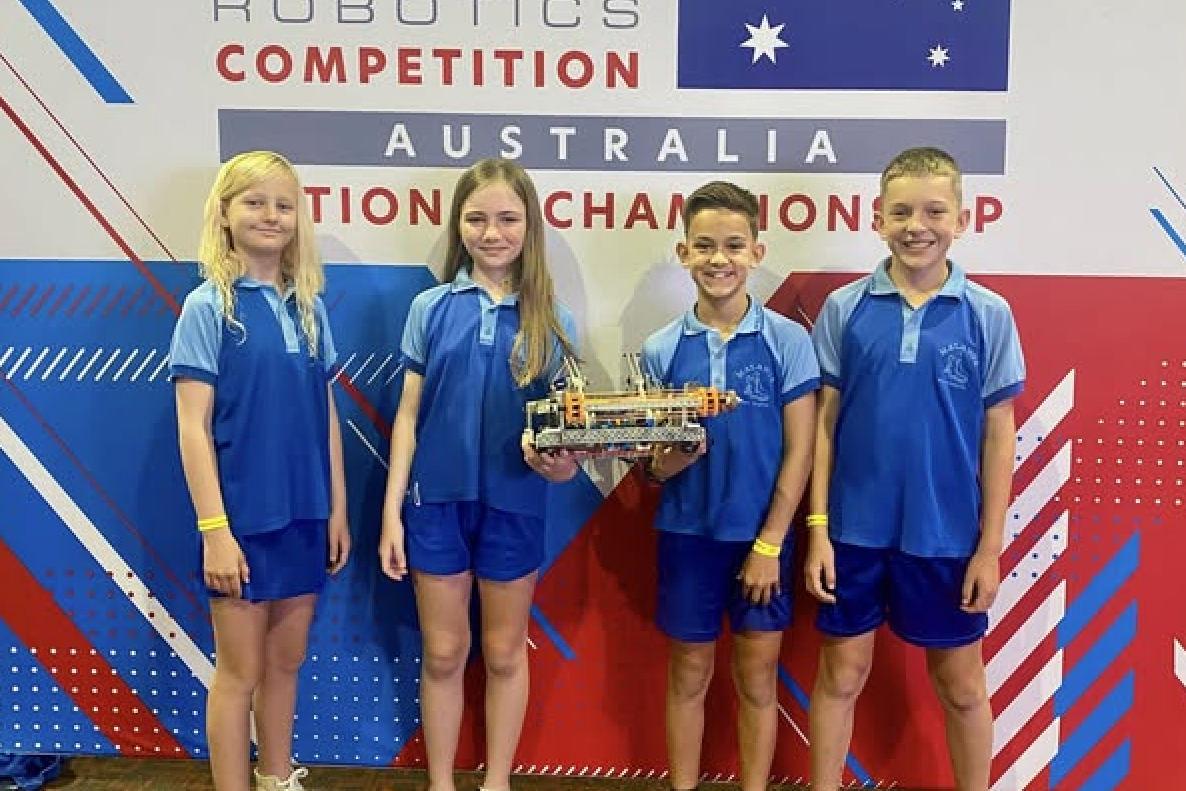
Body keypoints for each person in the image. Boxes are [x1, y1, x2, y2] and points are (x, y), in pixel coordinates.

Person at [804, 147, 1025, 791]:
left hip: (947, 536)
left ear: (964, 217)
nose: (916, 225)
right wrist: (818, 529)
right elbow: (824, 425)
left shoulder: (988, 314)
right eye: (900, 211)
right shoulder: (846, 309)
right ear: (877, 218)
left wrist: (989, 547)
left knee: (960, 686)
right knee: (841, 675)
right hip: (854, 533)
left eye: (934, 210)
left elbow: (998, 432)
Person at [378, 158, 579, 791]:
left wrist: (563, 463)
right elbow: (408, 417)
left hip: (516, 507)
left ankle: (497, 783)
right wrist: (391, 516)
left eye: (508, 219)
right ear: (458, 224)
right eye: (477, 218)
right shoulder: (430, 308)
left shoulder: (553, 321)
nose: (492, 233)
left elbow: (569, 441)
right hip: (433, 506)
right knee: (442, 653)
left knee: (502, 651)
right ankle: (441, 783)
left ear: (529, 227)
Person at [169, 150, 351, 791]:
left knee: (286, 660)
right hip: (241, 521)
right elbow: (192, 426)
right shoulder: (206, 308)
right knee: (239, 671)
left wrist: (337, 509)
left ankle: (277, 779)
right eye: (254, 202)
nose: (271, 215)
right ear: (224, 215)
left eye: (283, 204)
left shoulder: (309, 307)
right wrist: (215, 528)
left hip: (305, 516)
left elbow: (324, 414)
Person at [639, 181, 819, 791]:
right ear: (683, 252)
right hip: (688, 535)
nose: (720, 259)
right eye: (705, 246)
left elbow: (801, 451)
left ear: (757, 250)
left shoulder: (789, 341)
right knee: (689, 671)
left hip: (761, 539)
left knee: (757, 677)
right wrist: (670, 461)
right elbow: (651, 465)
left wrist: (771, 542)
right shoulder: (660, 349)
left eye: (734, 245)